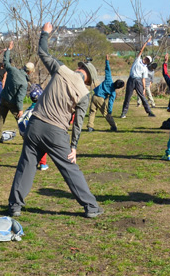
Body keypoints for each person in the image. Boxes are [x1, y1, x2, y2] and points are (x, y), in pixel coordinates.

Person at [7, 22, 103, 219]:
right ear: (88, 80)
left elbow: (42, 52)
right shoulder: (85, 93)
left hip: (35, 124)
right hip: (56, 131)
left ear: (80, 68)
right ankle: (91, 207)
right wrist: (74, 146)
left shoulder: (61, 70)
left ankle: (15, 206)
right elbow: (79, 122)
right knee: (69, 169)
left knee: (26, 165)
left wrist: (45, 33)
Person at [0, 41, 34, 143]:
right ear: (29, 72)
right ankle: (26, 139)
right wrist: (20, 110)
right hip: (12, 102)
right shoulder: (24, 83)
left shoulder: (13, 70)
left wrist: (9, 50)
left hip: (3, 97)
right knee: (20, 120)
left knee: (1, 118)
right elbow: (19, 98)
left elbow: (6, 62)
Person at [120, 36, 156, 118]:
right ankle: (123, 113)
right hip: (131, 79)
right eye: (146, 58)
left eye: (148, 60)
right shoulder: (137, 60)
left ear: (148, 62)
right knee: (127, 97)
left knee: (143, 97)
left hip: (138, 81)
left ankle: (149, 112)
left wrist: (143, 89)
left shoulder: (145, 69)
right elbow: (140, 51)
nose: (146, 60)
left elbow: (143, 79)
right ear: (145, 58)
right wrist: (146, 42)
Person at [88, 54, 124, 132]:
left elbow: (107, 70)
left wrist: (107, 61)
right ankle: (113, 126)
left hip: (94, 96)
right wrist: (110, 111)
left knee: (92, 111)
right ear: (118, 88)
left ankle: (90, 127)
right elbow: (110, 102)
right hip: (100, 99)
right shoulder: (113, 92)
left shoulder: (109, 80)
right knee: (106, 114)